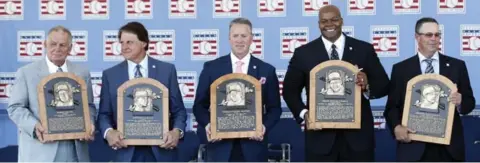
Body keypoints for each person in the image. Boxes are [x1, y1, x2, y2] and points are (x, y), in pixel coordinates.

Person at [282, 5, 390, 161]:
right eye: (324, 21)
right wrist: (304, 114)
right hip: (320, 139)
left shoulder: (364, 49)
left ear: (342, 21)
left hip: (358, 140)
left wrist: (367, 85)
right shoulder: (303, 53)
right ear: (319, 24)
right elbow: (289, 91)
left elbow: (384, 85)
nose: (329, 24)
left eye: (334, 19)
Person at [384, 17, 475, 162]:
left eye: (437, 35)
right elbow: (392, 107)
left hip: (448, 149)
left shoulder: (457, 66)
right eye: (428, 35)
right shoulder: (401, 69)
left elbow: (469, 103)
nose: (434, 38)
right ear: (417, 37)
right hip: (414, 146)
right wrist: (396, 127)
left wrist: (460, 102)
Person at [193, 17, 282, 162]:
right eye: (235, 36)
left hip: (253, 148)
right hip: (220, 147)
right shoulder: (211, 68)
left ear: (251, 38)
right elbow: (199, 106)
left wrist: (263, 127)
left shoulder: (267, 70)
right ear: (229, 38)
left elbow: (275, 109)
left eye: (244, 36)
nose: (239, 40)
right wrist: (210, 125)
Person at [97, 21, 187, 162]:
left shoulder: (167, 71)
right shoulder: (110, 75)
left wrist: (177, 132)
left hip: (160, 151)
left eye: (129, 42)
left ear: (144, 43)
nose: (124, 47)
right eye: (121, 43)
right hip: (125, 152)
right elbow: (103, 114)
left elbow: (179, 111)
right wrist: (109, 133)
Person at [7, 25, 96, 162]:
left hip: (75, 152)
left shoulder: (82, 73)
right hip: (40, 152)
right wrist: (34, 126)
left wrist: (89, 123)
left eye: (62, 45)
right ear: (45, 44)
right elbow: (15, 108)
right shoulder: (26, 73)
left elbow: (89, 106)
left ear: (70, 48)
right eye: (53, 44)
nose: (57, 49)